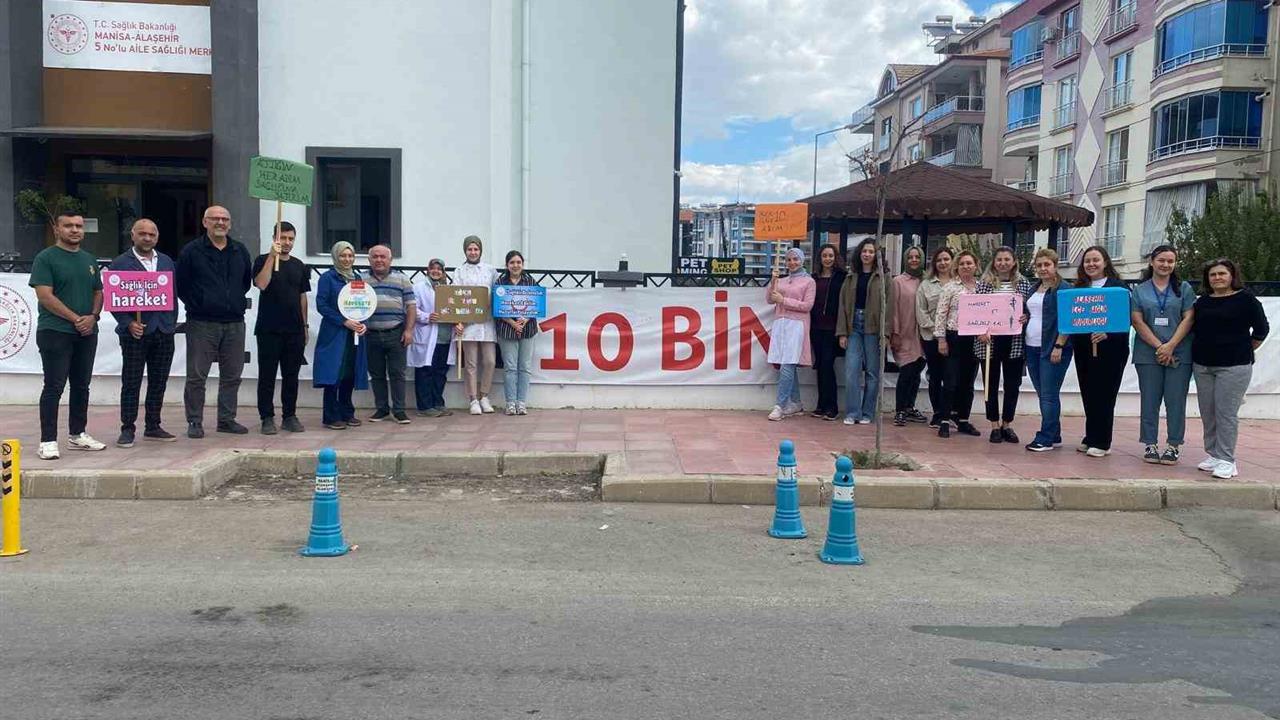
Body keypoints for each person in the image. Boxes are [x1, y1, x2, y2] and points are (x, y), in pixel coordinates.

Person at [29, 212, 106, 460]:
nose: (74, 230)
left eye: (79, 226)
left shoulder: (89, 259)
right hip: (55, 331)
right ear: (57, 229)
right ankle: (48, 440)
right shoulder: (46, 258)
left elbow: (98, 292)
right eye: (68, 226)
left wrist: (93, 316)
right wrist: (76, 319)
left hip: (87, 331)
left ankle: (78, 434)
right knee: (54, 386)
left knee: (82, 386)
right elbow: (45, 296)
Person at [1186, 258, 1269, 479]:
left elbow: (1261, 330)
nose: (1217, 278)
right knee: (1209, 412)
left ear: (1232, 276)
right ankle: (1213, 454)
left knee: (1226, 414)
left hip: (1234, 366)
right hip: (1203, 365)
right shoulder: (1203, 302)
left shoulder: (1246, 300)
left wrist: (1243, 348)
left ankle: (1227, 460)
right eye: (1213, 275)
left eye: (1222, 274)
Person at [176, 205, 252, 438]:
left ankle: (226, 420)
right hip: (202, 322)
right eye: (215, 218)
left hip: (234, 323)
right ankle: (195, 422)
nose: (220, 222)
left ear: (229, 224)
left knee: (232, 375)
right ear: (205, 222)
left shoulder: (240, 250)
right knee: (197, 376)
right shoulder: (191, 251)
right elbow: (182, 285)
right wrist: (199, 303)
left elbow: (245, 283)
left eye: (225, 219)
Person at [108, 218, 178, 448]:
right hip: (134, 334)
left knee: (159, 381)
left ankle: (153, 425)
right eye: (143, 234)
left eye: (152, 234)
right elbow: (115, 300)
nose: (147, 238)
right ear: (133, 235)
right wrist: (128, 322)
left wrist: (170, 322)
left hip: (163, 331)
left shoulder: (167, 261)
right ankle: (127, 428)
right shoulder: (120, 263)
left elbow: (172, 295)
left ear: (157, 237)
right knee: (131, 381)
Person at [1054, 245, 1128, 458]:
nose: (1091, 264)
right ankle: (1091, 436)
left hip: (1111, 350)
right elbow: (1071, 319)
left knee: (1105, 394)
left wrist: (1107, 333)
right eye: (1087, 261)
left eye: (1096, 260)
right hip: (1084, 348)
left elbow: (1124, 319)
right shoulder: (1078, 288)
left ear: (1105, 262)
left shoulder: (1118, 287)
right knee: (1088, 392)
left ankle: (1103, 441)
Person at [1129, 245, 1195, 465]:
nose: (1165, 265)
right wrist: (1160, 346)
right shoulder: (1140, 290)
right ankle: (1150, 443)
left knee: (1176, 401)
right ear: (1152, 261)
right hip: (1148, 353)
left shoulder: (1183, 288)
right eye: (1161, 260)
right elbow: (1137, 321)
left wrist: (1171, 345)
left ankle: (1173, 445)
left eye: (1170, 261)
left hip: (1179, 353)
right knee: (1150, 400)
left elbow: (1189, 318)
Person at [251, 221, 311, 435]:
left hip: (294, 329)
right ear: (275, 238)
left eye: (290, 238)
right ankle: (267, 417)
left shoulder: (299, 265)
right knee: (267, 375)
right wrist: (271, 256)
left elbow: (302, 296)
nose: (287, 242)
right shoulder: (261, 260)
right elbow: (262, 284)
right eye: (283, 238)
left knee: (291, 375)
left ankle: (289, 416)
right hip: (269, 329)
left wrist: (304, 325)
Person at [974, 246, 1033, 444]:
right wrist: (981, 331)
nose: (1003, 263)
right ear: (994, 262)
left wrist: (1026, 317)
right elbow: (977, 310)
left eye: (1007, 259)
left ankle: (1007, 423)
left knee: (1012, 384)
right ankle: (993, 424)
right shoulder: (984, 283)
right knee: (990, 384)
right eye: (999, 259)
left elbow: (1028, 309)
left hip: (1014, 340)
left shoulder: (1023, 283)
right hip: (989, 341)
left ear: (1014, 261)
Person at [313, 241, 369, 430]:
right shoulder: (328, 278)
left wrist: (362, 324)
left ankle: (347, 412)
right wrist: (343, 321)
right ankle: (330, 416)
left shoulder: (357, 278)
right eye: (343, 256)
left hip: (353, 335)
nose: (347, 259)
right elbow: (322, 305)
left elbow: (363, 305)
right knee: (333, 374)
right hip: (334, 333)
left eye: (350, 256)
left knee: (349, 373)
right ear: (336, 257)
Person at [836, 239, 892, 425]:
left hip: (874, 328)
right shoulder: (851, 276)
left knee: (872, 372)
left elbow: (889, 306)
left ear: (877, 255)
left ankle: (868, 412)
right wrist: (842, 332)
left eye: (871, 251)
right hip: (853, 326)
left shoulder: (884, 277)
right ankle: (853, 412)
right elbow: (842, 306)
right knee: (851, 370)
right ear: (859, 254)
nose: (867, 254)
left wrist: (886, 333)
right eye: (864, 251)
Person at [1023, 248, 1073, 452]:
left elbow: (1068, 321)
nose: (1043, 269)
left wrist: (1059, 345)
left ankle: (1045, 437)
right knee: (1042, 392)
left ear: (1055, 266)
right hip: (1031, 346)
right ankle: (1055, 433)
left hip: (1052, 348)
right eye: (1039, 265)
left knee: (1049, 395)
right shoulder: (1033, 288)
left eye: (1047, 265)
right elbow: (1032, 313)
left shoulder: (1064, 289)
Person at [363, 244, 415, 424]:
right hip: (370, 334)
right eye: (375, 257)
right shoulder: (360, 280)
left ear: (390, 260)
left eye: (382, 257)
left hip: (396, 332)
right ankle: (382, 409)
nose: (379, 260)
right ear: (369, 260)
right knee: (376, 374)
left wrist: (408, 330)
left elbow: (411, 306)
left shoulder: (402, 279)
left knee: (397, 373)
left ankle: (399, 410)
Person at [933, 250, 982, 438]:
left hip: (974, 339)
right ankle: (944, 421)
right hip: (954, 337)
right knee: (950, 381)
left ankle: (963, 420)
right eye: (962, 264)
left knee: (968, 383)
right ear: (957, 266)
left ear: (976, 265)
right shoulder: (951, 287)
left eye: (969, 263)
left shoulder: (982, 287)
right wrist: (941, 339)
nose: (966, 267)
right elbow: (941, 314)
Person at [766, 247, 816, 421]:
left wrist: (784, 300)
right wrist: (773, 281)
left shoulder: (809, 282)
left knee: (788, 363)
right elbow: (769, 299)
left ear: (802, 260)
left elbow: (807, 306)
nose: (792, 263)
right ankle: (796, 402)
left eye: (796, 259)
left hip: (797, 325)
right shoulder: (782, 280)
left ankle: (780, 405)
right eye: (789, 260)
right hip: (780, 323)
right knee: (785, 363)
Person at [453, 235, 500, 415]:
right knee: (471, 363)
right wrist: (458, 321)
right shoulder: (459, 271)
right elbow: (455, 297)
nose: (473, 252)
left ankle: (484, 396)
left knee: (490, 361)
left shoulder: (490, 270)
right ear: (465, 251)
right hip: (468, 323)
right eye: (469, 249)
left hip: (487, 322)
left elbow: (498, 293)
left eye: (476, 249)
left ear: (481, 250)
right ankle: (472, 399)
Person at [495, 250, 542, 415]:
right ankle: (510, 403)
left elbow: (537, 304)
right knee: (510, 367)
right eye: (512, 262)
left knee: (525, 367)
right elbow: (497, 307)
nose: (515, 265)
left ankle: (521, 402)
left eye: (518, 262)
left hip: (528, 329)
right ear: (507, 265)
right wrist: (513, 323)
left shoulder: (530, 281)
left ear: (522, 264)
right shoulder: (500, 282)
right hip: (507, 329)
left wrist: (526, 319)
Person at [409, 259, 455, 417]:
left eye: (439, 269)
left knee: (440, 372)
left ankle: (437, 402)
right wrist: (427, 316)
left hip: (445, 336)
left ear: (443, 272)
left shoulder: (448, 289)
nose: (436, 271)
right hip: (428, 335)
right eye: (433, 269)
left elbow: (454, 310)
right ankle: (424, 406)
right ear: (427, 270)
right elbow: (412, 309)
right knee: (425, 370)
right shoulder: (419, 287)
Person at [916, 247, 954, 428]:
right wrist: (938, 328)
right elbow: (921, 312)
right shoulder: (926, 285)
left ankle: (951, 412)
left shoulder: (959, 283)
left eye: (946, 259)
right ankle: (938, 413)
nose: (943, 263)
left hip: (955, 338)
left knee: (951, 376)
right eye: (939, 260)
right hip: (931, 337)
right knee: (935, 375)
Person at [890, 245, 927, 427]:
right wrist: (895, 333)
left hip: (923, 335)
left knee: (917, 371)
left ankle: (910, 407)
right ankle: (900, 410)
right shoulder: (898, 281)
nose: (914, 260)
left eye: (917, 257)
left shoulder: (927, 280)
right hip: (904, 333)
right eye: (911, 257)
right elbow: (893, 308)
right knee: (906, 371)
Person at [808, 244, 846, 420]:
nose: (828, 259)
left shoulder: (842, 277)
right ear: (820, 258)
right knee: (820, 366)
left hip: (833, 328)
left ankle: (832, 407)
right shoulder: (813, 278)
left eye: (831, 255)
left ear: (835, 257)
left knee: (827, 366)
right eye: (824, 256)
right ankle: (821, 405)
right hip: (816, 328)